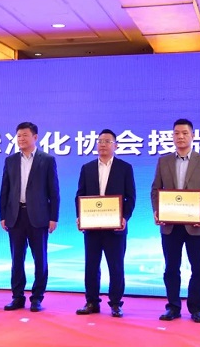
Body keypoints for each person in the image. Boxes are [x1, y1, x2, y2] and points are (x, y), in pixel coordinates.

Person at [150, 119, 200, 323]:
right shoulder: (163, 161)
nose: (180, 137)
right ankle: (173, 307)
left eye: (185, 133)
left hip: (196, 225)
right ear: (172, 136)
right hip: (170, 225)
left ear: (193, 136)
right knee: (171, 268)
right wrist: (157, 210)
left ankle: (197, 309)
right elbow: (155, 190)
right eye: (176, 133)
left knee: (198, 269)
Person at [0, 122, 60, 312]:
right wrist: (3, 215)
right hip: (15, 216)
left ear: (35, 137)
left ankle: (37, 298)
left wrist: (54, 217)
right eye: (18, 136)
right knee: (16, 259)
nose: (21, 139)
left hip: (39, 217)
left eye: (25, 135)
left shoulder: (47, 160)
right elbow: (5, 190)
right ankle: (17, 297)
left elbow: (54, 191)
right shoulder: (10, 160)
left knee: (40, 259)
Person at [75, 129, 136, 318]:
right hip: (92, 227)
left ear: (115, 145)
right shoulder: (87, 168)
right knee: (91, 266)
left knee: (116, 266)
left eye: (107, 141)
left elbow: (131, 197)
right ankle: (91, 302)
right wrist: (80, 217)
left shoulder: (124, 168)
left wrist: (124, 218)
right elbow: (80, 195)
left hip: (115, 228)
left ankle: (116, 303)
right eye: (100, 141)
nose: (102, 144)